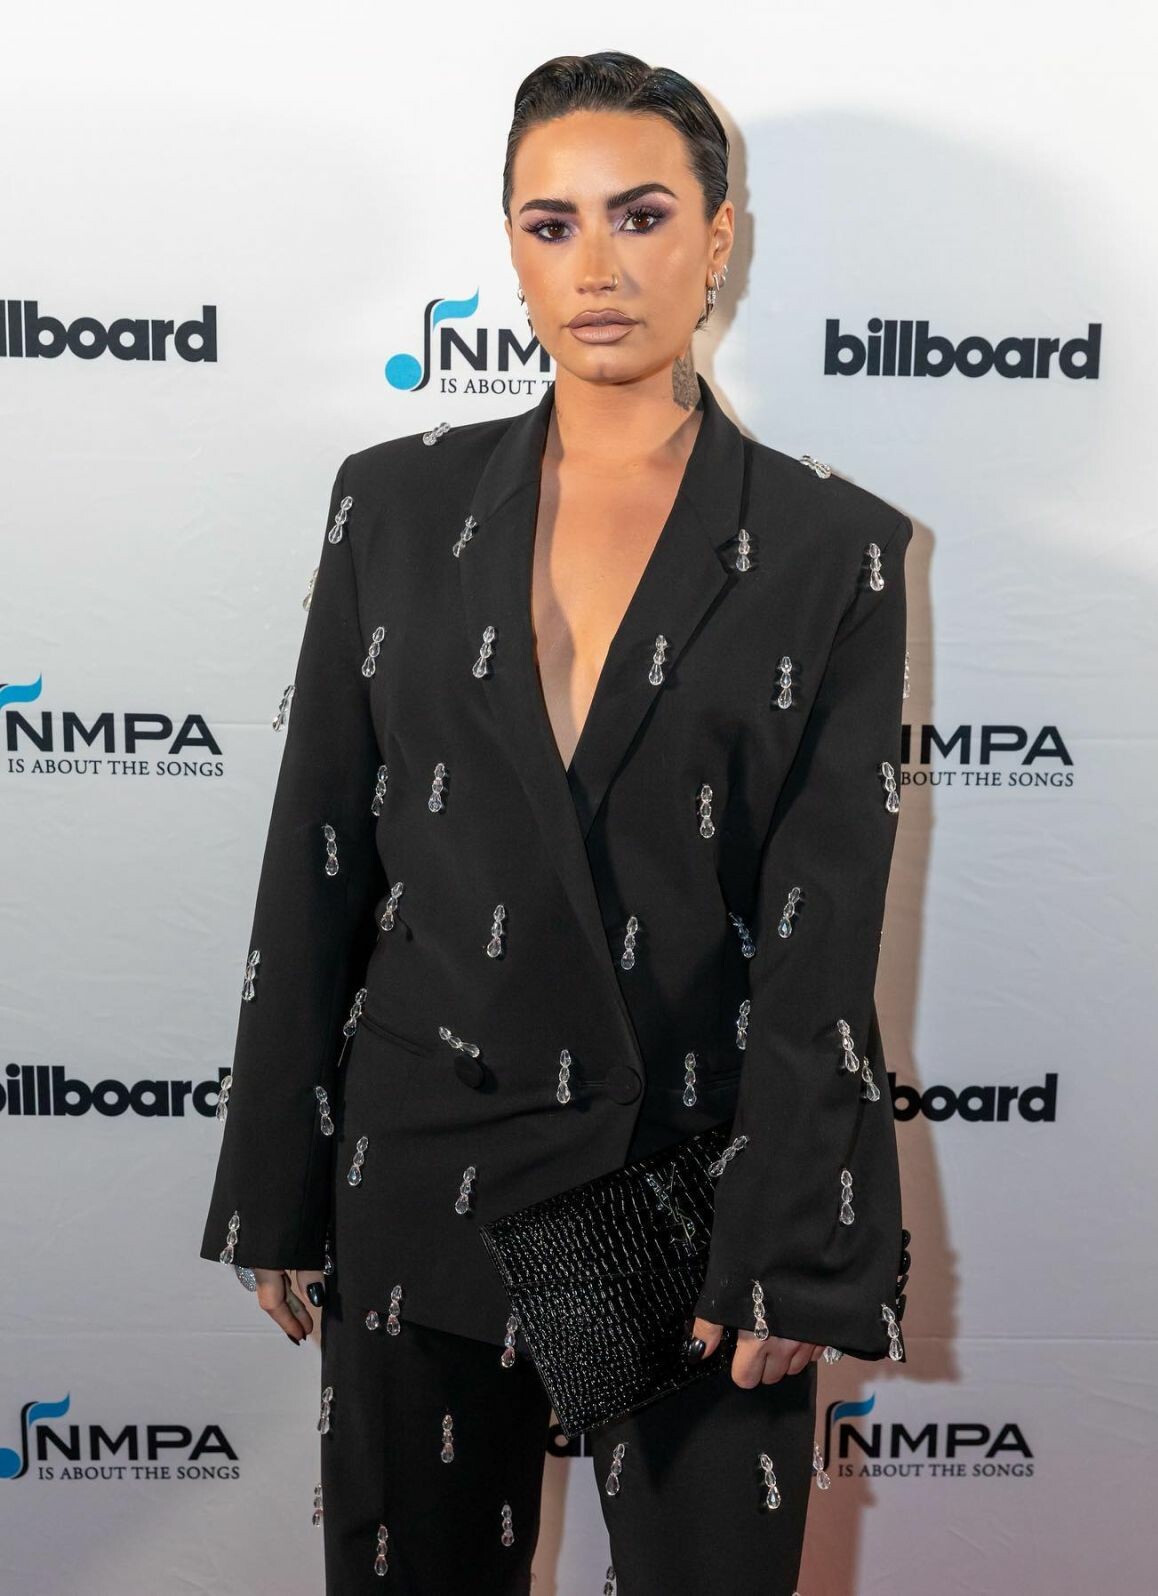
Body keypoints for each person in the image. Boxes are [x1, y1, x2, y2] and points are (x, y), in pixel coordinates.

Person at [198, 48, 913, 1595]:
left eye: (641, 215)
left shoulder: (830, 547)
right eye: (552, 223)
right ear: (511, 249)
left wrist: (792, 1233)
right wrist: (275, 1175)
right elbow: (318, 854)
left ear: (718, 238)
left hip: (693, 1186)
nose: (597, 265)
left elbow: (823, 935)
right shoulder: (393, 503)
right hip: (426, 1161)